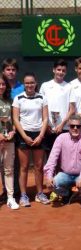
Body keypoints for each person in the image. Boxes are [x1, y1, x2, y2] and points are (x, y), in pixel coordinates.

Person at [12, 72, 49, 207]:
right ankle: (23, 195)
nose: (29, 85)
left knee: (39, 167)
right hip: (24, 134)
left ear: (36, 83)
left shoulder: (42, 98)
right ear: (24, 84)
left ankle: (40, 194)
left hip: (39, 134)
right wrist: (24, 136)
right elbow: (16, 119)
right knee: (24, 167)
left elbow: (45, 118)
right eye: (27, 83)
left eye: (32, 83)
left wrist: (40, 135)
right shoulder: (18, 98)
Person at [44, 115, 81, 206]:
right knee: (53, 184)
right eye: (72, 126)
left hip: (80, 175)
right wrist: (49, 176)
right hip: (65, 174)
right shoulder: (61, 138)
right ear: (68, 127)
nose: (75, 128)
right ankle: (67, 193)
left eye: (78, 126)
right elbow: (52, 158)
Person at [0, 58, 23, 202]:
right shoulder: (2, 87)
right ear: (3, 71)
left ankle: (15, 191)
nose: (11, 72)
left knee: (14, 163)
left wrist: (14, 130)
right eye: (8, 69)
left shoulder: (22, 87)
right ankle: (5, 191)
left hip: (16, 131)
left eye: (13, 69)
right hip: (2, 133)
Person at [40, 59, 72, 151]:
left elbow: (72, 109)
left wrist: (62, 125)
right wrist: (46, 125)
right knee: (48, 157)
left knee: (63, 158)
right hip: (48, 129)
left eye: (63, 71)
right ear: (54, 70)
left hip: (63, 129)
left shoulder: (69, 87)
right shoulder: (45, 86)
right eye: (58, 70)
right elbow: (41, 107)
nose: (61, 72)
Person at [0, 73, 19, 209]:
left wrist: (13, 131)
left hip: (9, 140)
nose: (1, 86)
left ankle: (10, 198)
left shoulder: (10, 100)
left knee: (9, 169)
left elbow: (13, 119)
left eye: (3, 84)